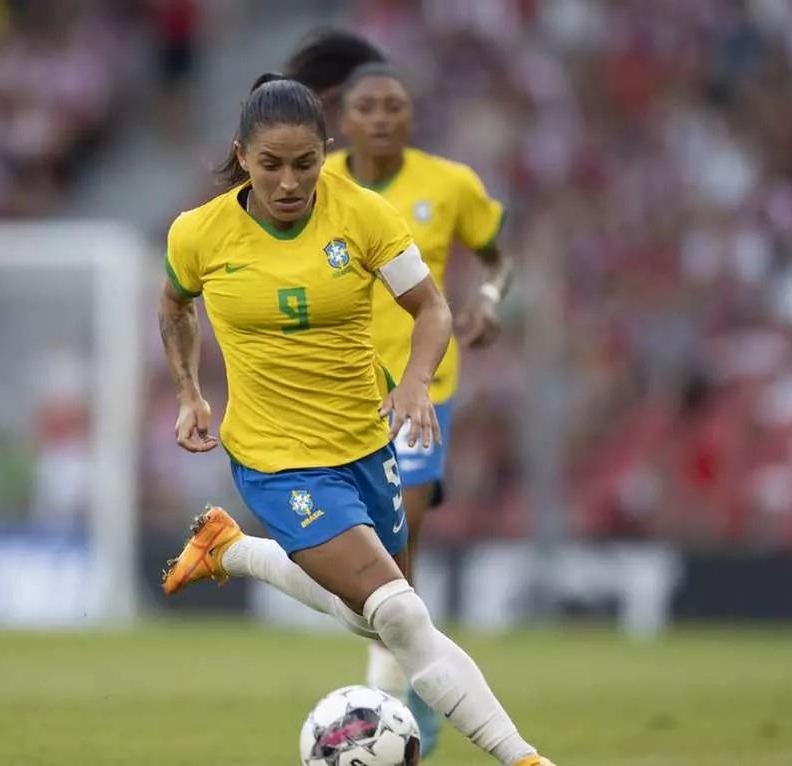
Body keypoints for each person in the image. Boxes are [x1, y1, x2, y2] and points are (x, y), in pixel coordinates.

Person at [158, 73, 554, 766]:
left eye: (305, 163)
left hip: (366, 443)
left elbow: (430, 309)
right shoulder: (200, 233)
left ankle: (233, 550)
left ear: (325, 153)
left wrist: (417, 384)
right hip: (275, 459)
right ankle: (523, 757)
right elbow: (173, 306)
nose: (289, 182)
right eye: (271, 164)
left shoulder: (362, 215)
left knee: (381, 617)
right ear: (242, 156)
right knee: (400, 611)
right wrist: (191, 391)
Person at [287, 32, 515, 756]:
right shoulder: (312, 180)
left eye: (397, 106)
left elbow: (497, 254)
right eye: (369, 107)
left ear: (411, 117)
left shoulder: (449, 184)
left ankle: (392, 699)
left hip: (422, 390)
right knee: (364, 557)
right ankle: (412, 674)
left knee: (398, 538)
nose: (384, 117)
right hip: (335, 390)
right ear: (343, 119)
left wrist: (490, 297)